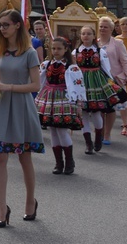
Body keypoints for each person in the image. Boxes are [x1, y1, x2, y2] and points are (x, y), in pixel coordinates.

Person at [0, 9, 43, 228]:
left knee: (25, 157)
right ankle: (2, 207)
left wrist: (8, 86)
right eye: (0, 25)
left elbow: (35, 85)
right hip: (3, 107)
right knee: (0, 157)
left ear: (17, 25)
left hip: (23, 107)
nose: (2, 28)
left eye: (5, 24)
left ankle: (30, 201)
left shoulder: (30, 53)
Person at [34, 37, 85, 175]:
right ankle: (58, 162)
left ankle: (69, 161)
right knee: (52, 130)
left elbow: (79, 86)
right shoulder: (46, 64)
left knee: (62, 130)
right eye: (53, 48)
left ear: (66, 49)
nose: (56, 51)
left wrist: (79, 104)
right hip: (48, 98)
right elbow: (39, 81)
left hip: (64, 98)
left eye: (59, 49)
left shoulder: (71, 67)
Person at [74, 24, 121, 155]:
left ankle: (98, 138)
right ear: (80, 36)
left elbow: (106, 69)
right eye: (83, 33)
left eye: (89, 33)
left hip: (96, 83)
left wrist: (111, 84)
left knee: (95, 112)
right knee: (83, 113)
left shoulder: (100, 51)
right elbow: (72, 69)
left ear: (94, 36)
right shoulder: (75, 52)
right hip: (81, 83)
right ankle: (88, 143)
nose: (86, 36)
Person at [97, 16, 127, 144]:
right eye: (101, 26)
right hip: (98, 81)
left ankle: (107, 135)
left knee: (110, 108)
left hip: (113, 80)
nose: (102, 29)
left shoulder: (117, 43)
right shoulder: (95, 43)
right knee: (100, 108)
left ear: (111, 29)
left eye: (105, 27)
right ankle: (99, 133)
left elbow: (125, 61)